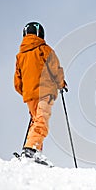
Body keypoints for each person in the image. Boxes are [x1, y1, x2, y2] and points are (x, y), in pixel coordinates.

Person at [14, 22, 67, 166]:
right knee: (41, 120)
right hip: (44, 91)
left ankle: (34, 151)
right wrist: (61, 84)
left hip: (30, 95)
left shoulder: (20, 56)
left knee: (36, 120)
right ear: (40, 34)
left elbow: (17, 82)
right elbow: (55, 68)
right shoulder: (44, 49)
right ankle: (31, 149)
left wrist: (27, 92)